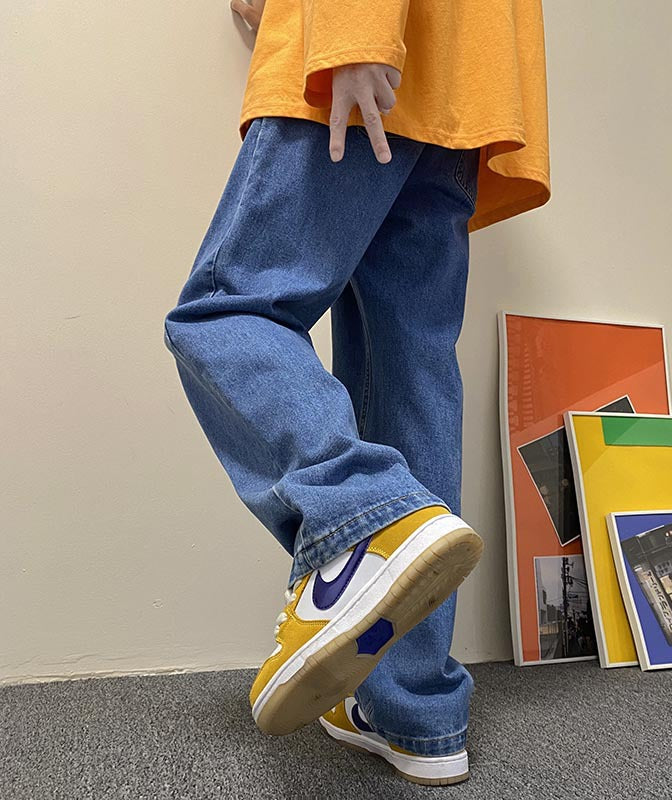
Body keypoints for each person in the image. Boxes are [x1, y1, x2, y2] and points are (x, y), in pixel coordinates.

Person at [163, 0, 551, 786]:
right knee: (408, 372)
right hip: (463, 87)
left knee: (227, 309)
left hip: (368, 51)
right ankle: (413, 712)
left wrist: (353, 33)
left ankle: (361, 515)